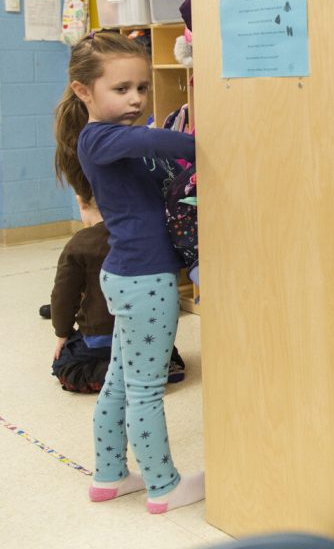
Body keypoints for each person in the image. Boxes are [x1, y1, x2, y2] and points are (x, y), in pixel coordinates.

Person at [53, 31, 203, 513]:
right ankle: (163, 485)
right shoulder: (101, 137)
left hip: (130, 276)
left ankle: (111, 474)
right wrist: (218, 133)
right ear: (84, 91)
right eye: (122, 89)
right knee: (144, 388)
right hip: (145, 281)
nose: (136, 99)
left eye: (142, 87)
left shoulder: (110, 139)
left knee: (121, 379)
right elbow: (161, 140)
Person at [50, 194, 186, 393]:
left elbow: (63, 296)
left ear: (81, 202)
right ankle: (160, 365)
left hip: (99, 337)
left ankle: (116, 373)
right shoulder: (142, 235)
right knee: (156, 348)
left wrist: (62, 333)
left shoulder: (79, 244)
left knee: (62, 365)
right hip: (146, 332)